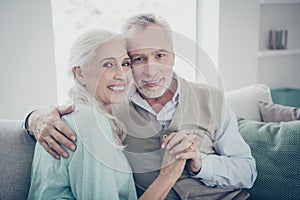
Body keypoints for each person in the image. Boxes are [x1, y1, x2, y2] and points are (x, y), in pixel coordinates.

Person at [25, 14, 257, 199]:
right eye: (137, 59)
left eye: (160, 55)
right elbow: (74, 113)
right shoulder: (111, 105)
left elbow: (247, 173)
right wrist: (33, 118)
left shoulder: (212, 99)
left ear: (174, 57)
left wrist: (200, 162)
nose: (151, 69)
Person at [27, 29, 188, 200]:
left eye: (125, 64)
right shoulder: (90, 122)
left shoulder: (81, 115)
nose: (121, 75)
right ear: (80, 73)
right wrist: (168, 176)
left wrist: (32, 117)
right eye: (108, 64)